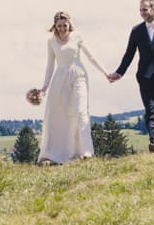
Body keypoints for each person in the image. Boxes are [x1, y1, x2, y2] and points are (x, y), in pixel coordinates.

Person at [32, 11, 110, 164]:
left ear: (69, 24)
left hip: (78, 75)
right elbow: (50, 66)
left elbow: (91, 57)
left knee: (81, 111)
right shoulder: (51, 41)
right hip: (60, 79)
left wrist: (105, 73)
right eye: (59, 26)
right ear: (55, 26)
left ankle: (86, 151)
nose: (62, 29)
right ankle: (56, 153)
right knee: (58, 114)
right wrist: (44, 89)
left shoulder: (77, 37)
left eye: (64, 25)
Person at [108, 0, 154, 152]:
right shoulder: (136, 31)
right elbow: (129, 54)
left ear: (153, 9)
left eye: (145, 9)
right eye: (140, 10)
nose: (142, 13)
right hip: (145, 78)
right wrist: (119, 73)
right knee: (150, 111)